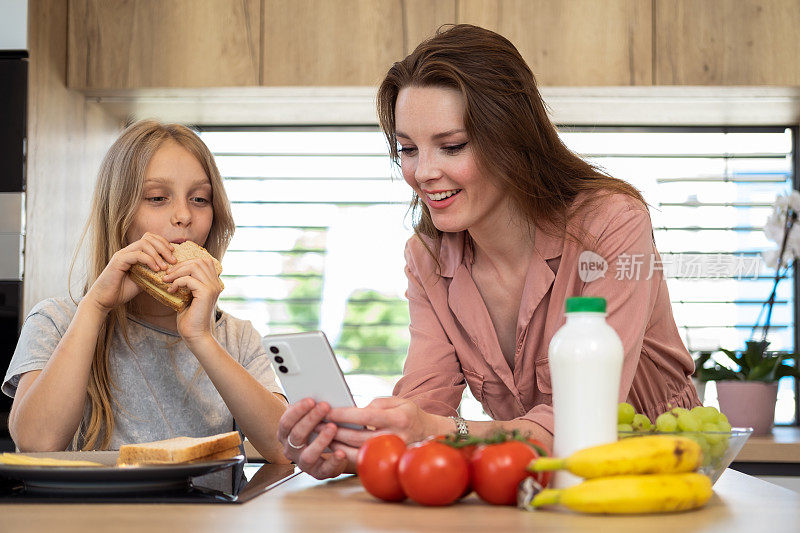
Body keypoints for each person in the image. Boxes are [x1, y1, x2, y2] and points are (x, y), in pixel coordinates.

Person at [277, 24, 701, 479]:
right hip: (524, 488)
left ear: (512, 138)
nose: (423, 172)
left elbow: (583, 423)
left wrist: (436, 430)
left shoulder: (612, 224)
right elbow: (425, 403)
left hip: (657, 480)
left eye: (452, 146)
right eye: (408, 149)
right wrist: (361, 447)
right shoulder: (427, 258)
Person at [3, 120, 289, 462]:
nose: (183, 215)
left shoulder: (236, 338)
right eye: (157, 198)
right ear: (118, 213)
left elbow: (283, 448)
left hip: (205, 514)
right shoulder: (57, 320)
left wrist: (200, 337)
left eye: (200, 199)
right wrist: (95, 306)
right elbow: (36, 442)